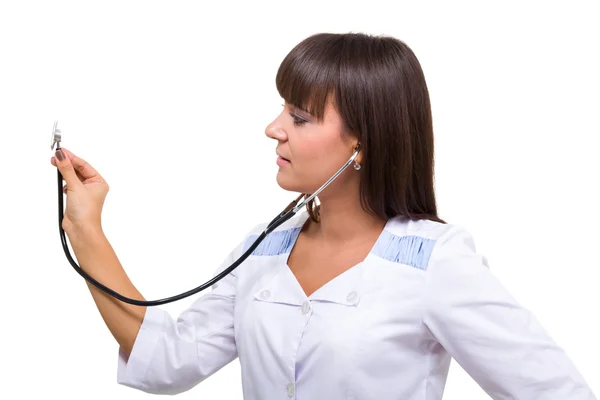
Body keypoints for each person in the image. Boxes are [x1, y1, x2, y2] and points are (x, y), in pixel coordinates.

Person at [50, 32, 596, 399]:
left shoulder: (436, 261)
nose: (273, 128)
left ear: (363, 143)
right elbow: (167, 360)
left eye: (301, 116)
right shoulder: (264, 249)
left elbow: (554, 390)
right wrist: (86, 229)